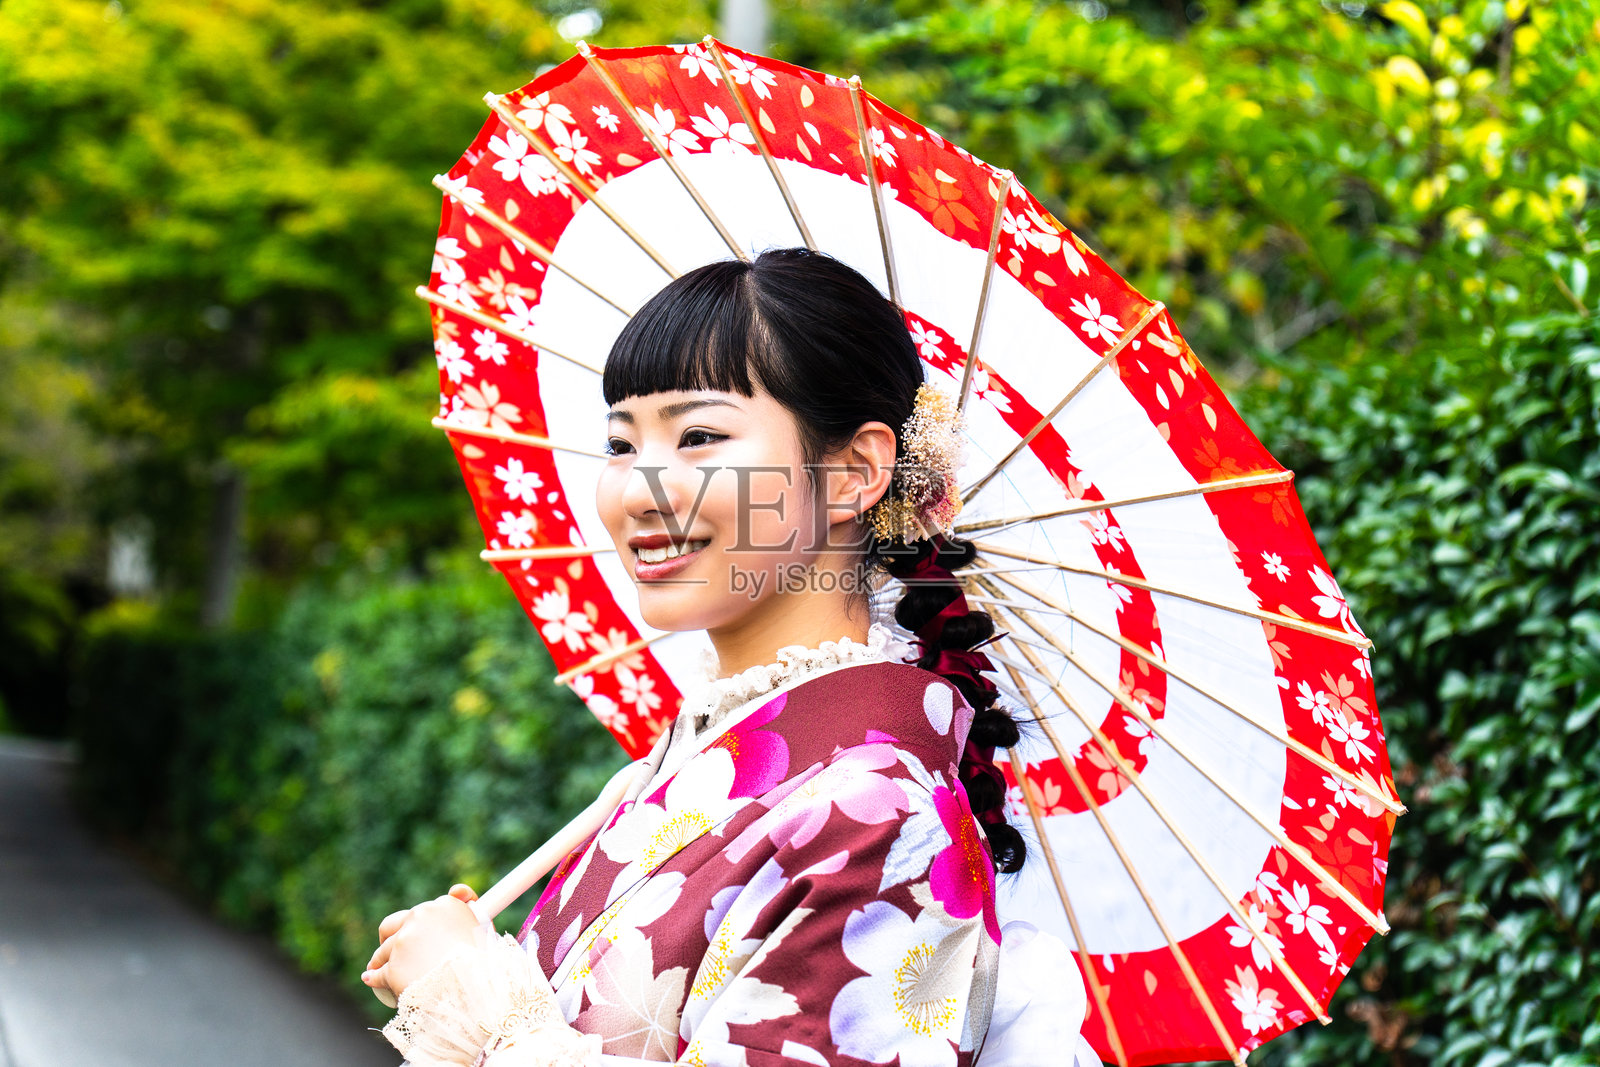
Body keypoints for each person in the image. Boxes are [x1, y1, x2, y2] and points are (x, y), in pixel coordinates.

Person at [362, 248, 1086, 1066]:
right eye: (622, 442)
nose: (638, 490)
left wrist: (480, 1008)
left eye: (699, 435)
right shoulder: (696, 760)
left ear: (855, 472)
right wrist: (466, 965)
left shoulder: (878, 814)